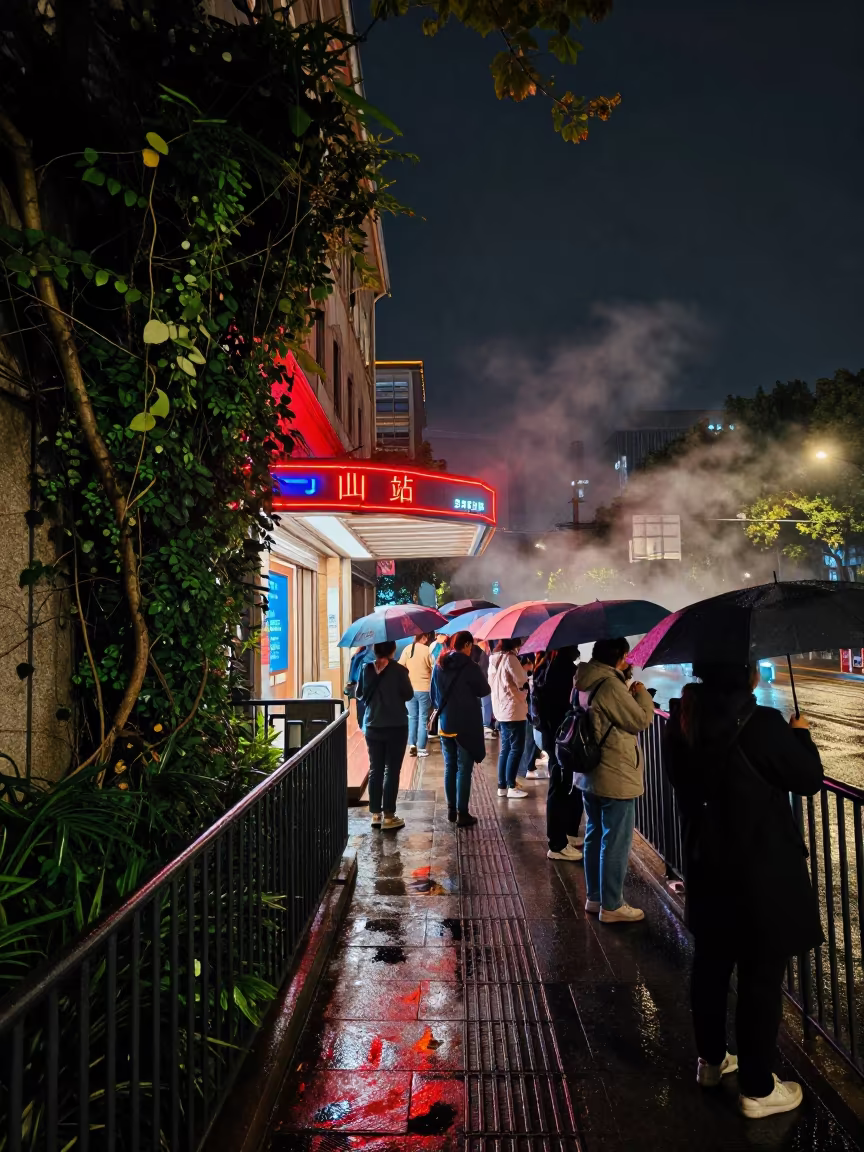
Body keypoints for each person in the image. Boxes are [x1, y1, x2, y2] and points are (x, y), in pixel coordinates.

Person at [664, 662, 823, 1119]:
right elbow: (808, 779)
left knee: (711, 967)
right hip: (759, 872)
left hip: (706, 865)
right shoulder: (763, 724)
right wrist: (802, 735)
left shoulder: (680, 720)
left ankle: (711, 1063)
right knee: (760, 978)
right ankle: (757, 1087)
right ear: (747, 676)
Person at [574, 637, 654, 920]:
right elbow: (640, 720)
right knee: (616, 840)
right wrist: (642, 693)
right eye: (626, 655)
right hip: (614, 772)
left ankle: (595, 898)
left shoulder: (584, 680)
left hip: (589, 772)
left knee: (595, 833)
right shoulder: (610, 685)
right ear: (619, 656)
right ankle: (612, 905)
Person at [430, 630, 490, 827]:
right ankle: (462, 813)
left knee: (450, 767)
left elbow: (434, 696)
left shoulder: (439, 665)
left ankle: (451, 810)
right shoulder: (470, 666)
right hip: (465, 724)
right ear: (466, 645)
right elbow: (484, 690)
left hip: (446, 724)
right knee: (464, 769)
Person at [535, 646, 584, 863]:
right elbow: (568, 707)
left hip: (553, 737)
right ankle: (557, 844)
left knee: (563, 786)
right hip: (562, 740)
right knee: (560, 787)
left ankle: (565, 835)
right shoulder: (564, 672)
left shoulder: (545, 668)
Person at [358, 641, 414, 831]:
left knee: (376, 769)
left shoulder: (366, 669)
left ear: (374, 650)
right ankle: (389, 816)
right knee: (392, 770)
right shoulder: (399, 670)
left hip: (373, 725)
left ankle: (375, 814)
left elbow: (359, 694)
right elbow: (408, 694)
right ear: (392, 650)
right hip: (396, 726)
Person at [488, 638, 529, 798]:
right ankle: (511, 785)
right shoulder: (510, 658)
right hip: (513, 709)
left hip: (500, 708)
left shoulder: (494, 659)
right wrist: (524, 671)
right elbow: (521, 681)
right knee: (516, 748)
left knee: (505, 748)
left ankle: (502, 785)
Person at [400, 632, 434, 757]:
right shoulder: (428, 650)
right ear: (424, 638)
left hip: (410, 689)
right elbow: (434, 667)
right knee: (423, 718)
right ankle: (421, 748)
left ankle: (412, 745)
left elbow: (400, 665)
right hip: (424, 689)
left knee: (412, 717)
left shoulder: (408, 649)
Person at [346, 644, 371, 729]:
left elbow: (352, 677)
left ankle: (363, 728)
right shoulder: (379, 654)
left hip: (361, 689)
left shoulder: (358, 655)